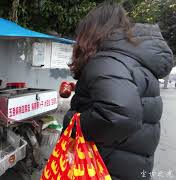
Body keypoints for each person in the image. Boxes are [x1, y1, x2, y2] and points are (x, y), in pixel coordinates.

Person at [63, 2, 173, 180]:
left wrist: (74, 122)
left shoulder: (106, 61)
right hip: (128, 165)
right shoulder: (133, 60)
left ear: (92, 30)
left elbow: (118, 116)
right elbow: (128, 96)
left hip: (103, 167)